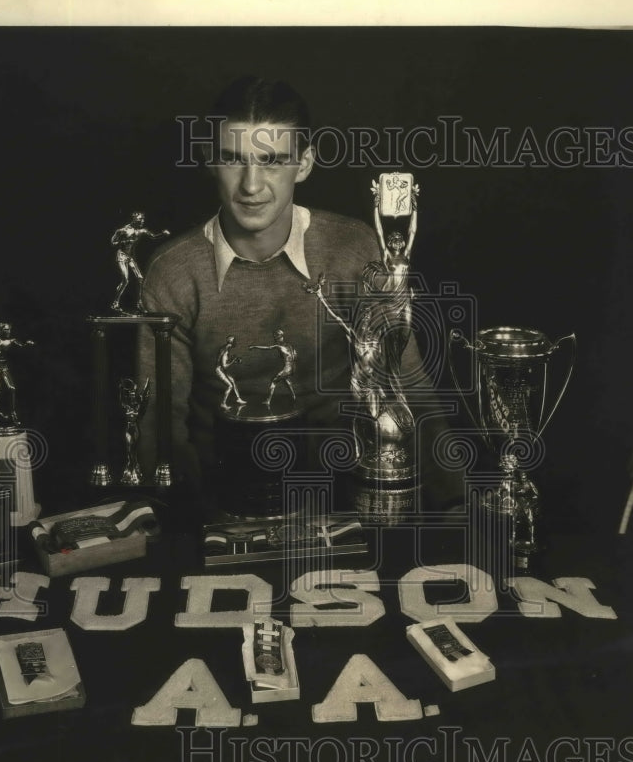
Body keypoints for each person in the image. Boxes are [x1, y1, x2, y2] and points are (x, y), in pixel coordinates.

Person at [138, 75, 462, 506]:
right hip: (217, 499)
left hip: (344, 494)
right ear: (209, 160)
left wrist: (457, 502)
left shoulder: (356, 249)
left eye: (271, 161)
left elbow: (407, 384)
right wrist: (180, 520)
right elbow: (158, 422)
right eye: (234, 160)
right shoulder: (172, 272)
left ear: (305, 163)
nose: (251, 186)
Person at [110, 211, 170, 313]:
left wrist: (163, 234)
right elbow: (113, 242)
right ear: (134, 219)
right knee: (125, 280)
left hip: (130, 257)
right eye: (140, 219)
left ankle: (139, 303)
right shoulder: (123, 230)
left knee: (140, 278)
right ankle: (115, 303)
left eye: (143, 219)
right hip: (122, 256)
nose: (142, 221)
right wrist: (124, 241)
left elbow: (153, 236)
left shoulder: (141, 231)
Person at [0, 322, 34, 425]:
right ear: (1, 330)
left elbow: (20, 345)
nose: (8, 331)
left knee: (12, 388)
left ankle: (13, 412)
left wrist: (26, 344)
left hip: (4, 367)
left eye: (9, 329)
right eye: (6, 330)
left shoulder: (11, 341)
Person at [248, 328, 297, 406]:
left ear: (279, 336)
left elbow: (268, 348)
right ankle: (293, 396)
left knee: (274, 381)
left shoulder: (278, 346)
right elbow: (295, 355)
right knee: (286, 379)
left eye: (275, 336)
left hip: (288, 367)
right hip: (293, 367)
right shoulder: (289, 345)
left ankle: (268, 401)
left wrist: (254, 346)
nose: (274, 338)